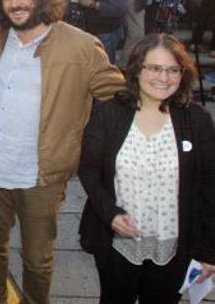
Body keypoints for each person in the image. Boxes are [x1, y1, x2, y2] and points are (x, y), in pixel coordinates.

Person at [0, 0, 125, 304]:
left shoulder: (81, 47)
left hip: (43, 177)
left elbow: (120, 94)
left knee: (38, 261)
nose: (16, 3)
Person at [78, 33, 215, 303]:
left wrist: (209, 252)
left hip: (174, 247)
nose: (163, 78)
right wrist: (111, 214)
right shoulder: (109, 113)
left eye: (172, 70)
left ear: (182, 74)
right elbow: (89, 171)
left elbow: (210, 188)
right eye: (154, 68)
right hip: (117, 246)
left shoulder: (196, 120)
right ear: (137, 70)